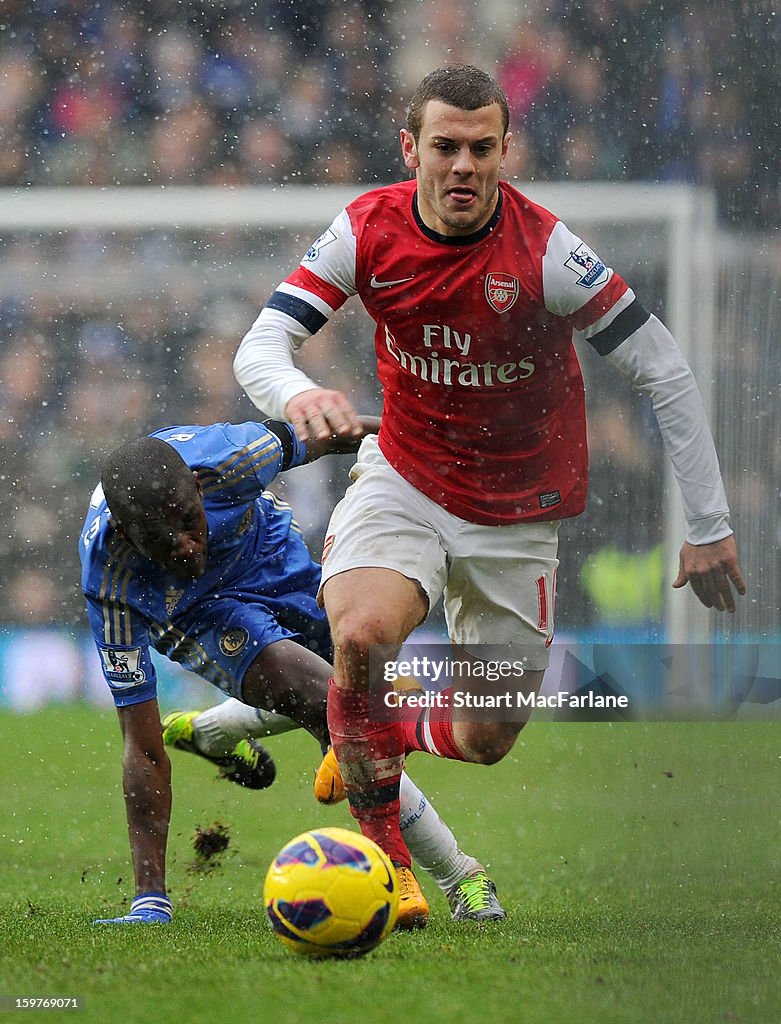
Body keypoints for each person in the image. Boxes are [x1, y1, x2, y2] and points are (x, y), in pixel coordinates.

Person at [233, 64, 746, 903]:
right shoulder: (365, 230)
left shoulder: (547, 253)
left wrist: (707, 521)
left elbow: (663, 369)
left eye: (480, 148)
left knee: (485, 734)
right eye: (444, 147)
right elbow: (259, 346)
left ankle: (369, 728)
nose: (462, 165)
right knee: (359, 638)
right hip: (402, 475)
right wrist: (302, 394)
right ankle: (392, 879)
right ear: (411, 150)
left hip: (516, 513)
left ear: (506, 150)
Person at [80, 418, 505, 928]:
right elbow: (142, 746)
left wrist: (422, 440)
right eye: (161, 540)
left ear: (198, 485)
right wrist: (150, 901)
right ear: (126, 534)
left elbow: (334, 430)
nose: (186, 546)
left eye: (189, 522)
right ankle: (457, 877)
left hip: (269, 554)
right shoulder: (110, 582)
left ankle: (215, 731)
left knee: (360, 683)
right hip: (192, 611)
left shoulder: (235, 457)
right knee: (329, 702)